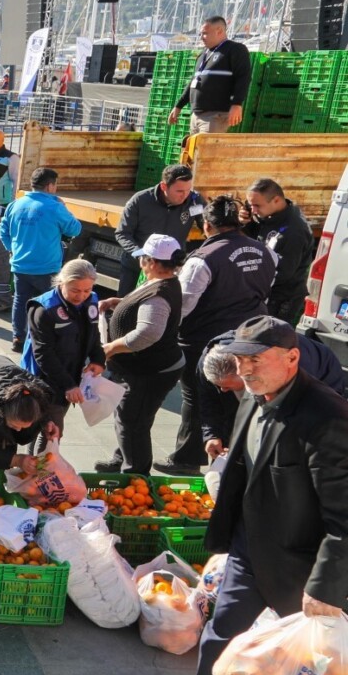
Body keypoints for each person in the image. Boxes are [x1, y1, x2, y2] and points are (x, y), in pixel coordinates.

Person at [150, 317, 348, 675]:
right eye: (240, 360)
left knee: (321, 650)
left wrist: (326, 585)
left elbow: (343, 515)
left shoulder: (327, 416)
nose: (245, 370)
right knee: (222, 630)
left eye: (256, 360)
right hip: (249, 545)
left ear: (292, 358)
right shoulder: (252, 395)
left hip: (303, 559)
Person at [161, 195, 275, 475]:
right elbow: (267, 286)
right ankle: (237, 458)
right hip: (251, 338)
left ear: (208, 226)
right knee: (243, 397)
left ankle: (187, 459)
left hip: (207, 341)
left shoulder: (202, 259)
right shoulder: (265, 251)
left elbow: (184, 306)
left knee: (197, 397)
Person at [95, 235, 187, 474]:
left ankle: (136, 476)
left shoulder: (159, 292)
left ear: (153, 262)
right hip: (148, 367)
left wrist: (111, 348)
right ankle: (122, 457)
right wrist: (120, 303)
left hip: (150, 371)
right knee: (133, 416)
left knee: (132, 421)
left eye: (143, 259)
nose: (141, 263)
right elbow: (145, 306)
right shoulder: (162, 280)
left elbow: (147, 333)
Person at [197, 322, 345, 461]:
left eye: (230, 386)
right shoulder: (208, 363)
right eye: (219, 386)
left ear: (245, 372)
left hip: (322, 374)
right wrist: (212, 435)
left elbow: (283, 419)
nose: (223, 390)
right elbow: (209, 401)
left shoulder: (287, 370)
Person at [20, 259, 105, 446]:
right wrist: (68, 385)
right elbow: (43, 353)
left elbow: (93, 334)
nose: (81, 296)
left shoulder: (91, 301)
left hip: (70, 374)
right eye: (75, 290)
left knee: (45, 429)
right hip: (44, 379)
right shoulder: (44, 309)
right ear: (61, 282)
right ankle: (40, 471)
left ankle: (36, 469)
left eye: (87, 290)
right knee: (52, 432)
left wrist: (99, 359)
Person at [0, 166, 82, 351]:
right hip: (46, 267)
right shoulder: (54, 207)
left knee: (20, 301)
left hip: (20, 265)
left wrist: (12, 249)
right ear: (50, 186)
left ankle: (18, 338)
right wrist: (64, 207)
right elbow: (75, 229)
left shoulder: (16, 204)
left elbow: (3, 230)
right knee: (51, 304)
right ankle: (46, 339)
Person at [114, 164, 204, 296]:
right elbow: (122, 233)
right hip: (137, 265)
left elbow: (209, 225)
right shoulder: (140, 200)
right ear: (163, 186)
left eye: (188, 190)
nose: (184, 195)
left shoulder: (194, 201)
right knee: (124, 304)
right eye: (179, 191)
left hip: (170, 268)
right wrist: (140, 254)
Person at [244, 177, 315, 323]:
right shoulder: (274, 213)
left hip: (283, 301)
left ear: (276, 200)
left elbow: (283, 273)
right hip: (267, 294)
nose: (253, 210)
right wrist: (245, 223)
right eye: (251, 205)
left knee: (273, 342)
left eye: (257, 205)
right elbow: (258, 236)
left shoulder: (294, 232)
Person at [169, 15, 252, 135]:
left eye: (205, 33)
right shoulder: (204, 54)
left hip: (216, 116)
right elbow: (194, 82)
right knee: (192, 152)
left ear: (219, 31)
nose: (202, 37)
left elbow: (243, 77)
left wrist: (237, 104)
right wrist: (178, 106)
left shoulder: (235, 49)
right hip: (196, 115)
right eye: (201, 34)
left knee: (206, 152)